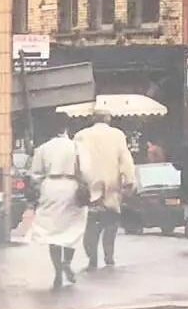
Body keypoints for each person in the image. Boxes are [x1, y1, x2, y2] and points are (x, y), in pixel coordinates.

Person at [75, 105, 136, 270]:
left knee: (90, 226)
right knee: (111, 223)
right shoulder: (118, 135)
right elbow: (126, 160)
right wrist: (129, 181)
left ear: (93, 119)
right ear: (109, 119)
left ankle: (92, 258)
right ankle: (109, 256)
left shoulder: (81, 136)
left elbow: (76, 161)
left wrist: (76, 182)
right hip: (112, 187)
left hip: (89, 186)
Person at [28, 127, 87, 289]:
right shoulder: (76, 146)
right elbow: (86, 170)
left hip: (51, 186)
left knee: (52, 231)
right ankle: (67, 262)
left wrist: (43, 185)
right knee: (72, 228)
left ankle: (57, 272)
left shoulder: (43, 148)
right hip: (72, 186)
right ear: (66, 129)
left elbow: (35, 174)